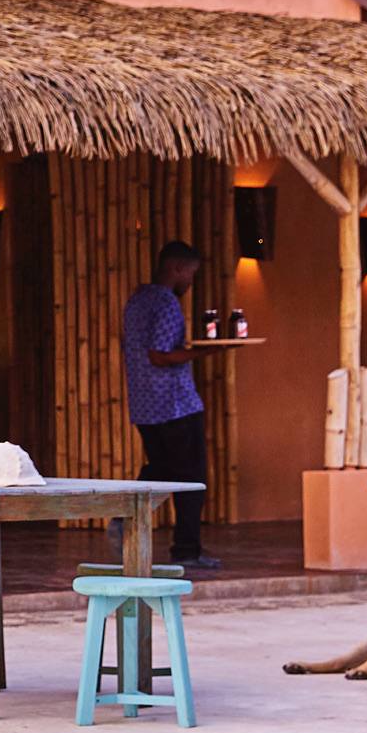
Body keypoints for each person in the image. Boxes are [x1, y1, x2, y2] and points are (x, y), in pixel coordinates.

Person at [120, 241, 216, 567]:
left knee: (159, 468)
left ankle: (122, 516)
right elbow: (159, 354)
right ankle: (187, 549)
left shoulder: (137, 300)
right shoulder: (166, 303)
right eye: (190, 273)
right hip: (174, 405)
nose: (190, 281)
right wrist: (204, 352)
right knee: (190, 479)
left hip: (145, 407)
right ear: (177, 269)